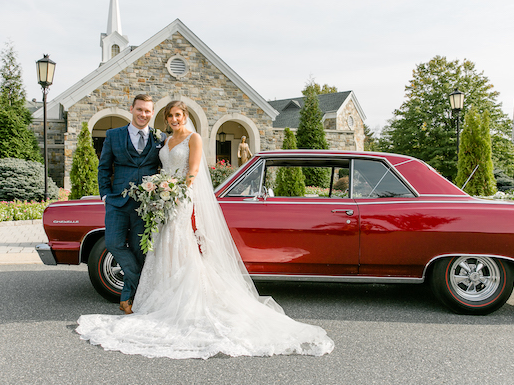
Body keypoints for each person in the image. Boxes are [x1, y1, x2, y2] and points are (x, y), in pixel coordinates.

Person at [77, 101, 334, 359]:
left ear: (185, 116)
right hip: (154, 201)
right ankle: (157, 293)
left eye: (178, 115)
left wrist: (174, 194)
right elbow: (147, 167)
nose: (174, 119)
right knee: (156, 246)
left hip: (178, 200)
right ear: (162, 118)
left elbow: (194, 171)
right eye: (170, 116)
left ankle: (176, 298)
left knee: (176, 245)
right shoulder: (163, 140)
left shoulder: (193, 137)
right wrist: (142, 192)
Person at [97, 94, 165, 315]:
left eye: (147, 111)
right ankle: (141, 279)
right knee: (114, 243)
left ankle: (128, 299)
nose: (143, 114)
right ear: (132, 109)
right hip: (117, 201)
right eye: (139, 110)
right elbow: (104, 167)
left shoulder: (159, 138)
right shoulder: (114, 135)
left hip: (144, 206)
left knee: (139, 250)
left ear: (152, 113)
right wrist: (105, 195)